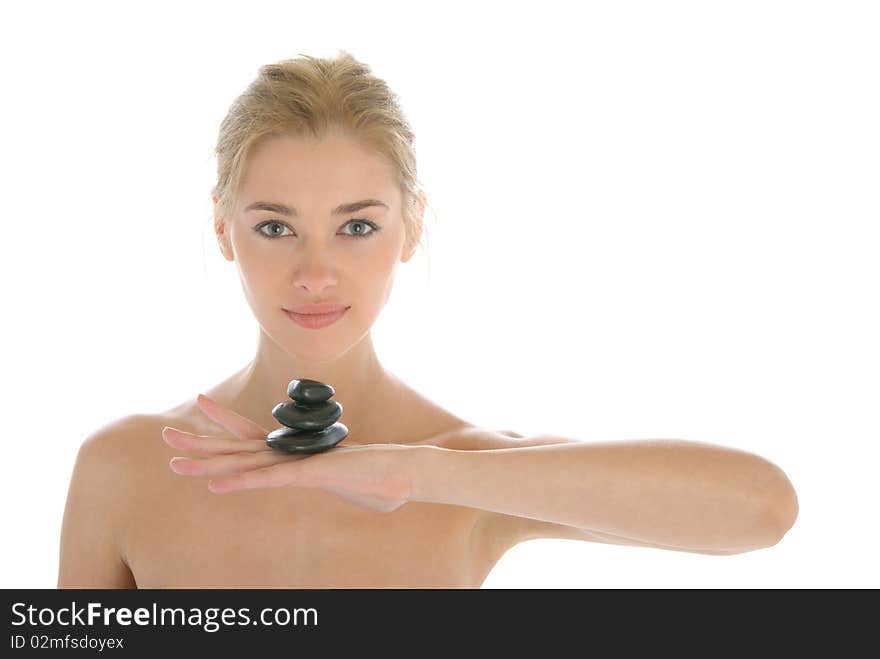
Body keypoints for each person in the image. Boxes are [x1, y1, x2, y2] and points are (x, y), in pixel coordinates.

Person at [57, 50, 799, 589]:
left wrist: (424, 473)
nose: (315, 272)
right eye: (276, 227)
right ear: (223, 229)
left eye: (357, 227)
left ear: (412, 228)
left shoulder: (464, 472)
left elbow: (764, 507)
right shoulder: (125, 469)